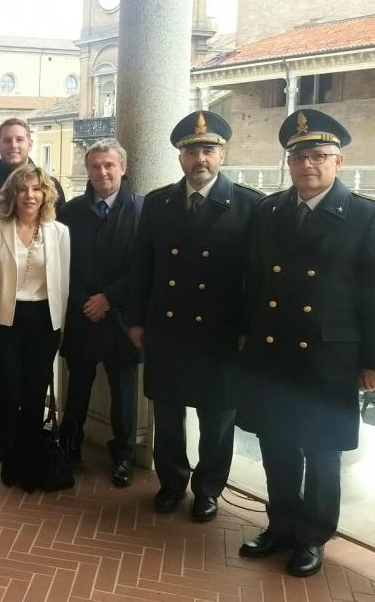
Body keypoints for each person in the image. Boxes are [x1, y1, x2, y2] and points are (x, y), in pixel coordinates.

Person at [236, 110, 375, 577]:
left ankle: (313, 537)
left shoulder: (364, 215)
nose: (308, 165)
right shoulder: (269, 210)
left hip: (327, 355)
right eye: (298, 157)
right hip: (271, 350)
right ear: (289, 164)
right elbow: (254, 281)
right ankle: (280, 525)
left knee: (321, 451)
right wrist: (245, 338)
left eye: (319, 156)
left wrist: (371, 360)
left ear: (339, 161)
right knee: (276, 444)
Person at [128, 111, 263, 522]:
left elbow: (255, 280)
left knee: (217, 418)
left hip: (220, 336)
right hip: (167, 329)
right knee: (167, 414)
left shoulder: (250, 205)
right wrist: (135, 320)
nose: (199, 158)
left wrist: (246, 332)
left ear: (222, 153)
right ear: (180, 157)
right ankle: (171, 482)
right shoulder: (158, 202)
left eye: (208, 149)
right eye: (191, 151)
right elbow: (142, 267)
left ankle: (208, 489)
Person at [0, 117, 67, 463]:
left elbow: (62, 270)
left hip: (41, 314)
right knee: (1, 381)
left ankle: (26, 442)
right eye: (6, 140)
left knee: (35, 381)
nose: (13, 145)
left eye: (19, 139)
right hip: (1, 305)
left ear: (29, 142)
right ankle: (5, 436)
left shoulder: (52, 194)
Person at [57, 138, 143, 488]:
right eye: (95, 166)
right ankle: (69, 446)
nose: (102, 172)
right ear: (87, 171)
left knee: (123, 395)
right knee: (76, 388)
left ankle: (122, 456)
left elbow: (144, 267)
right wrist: (84, 300)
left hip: (121, 319)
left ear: (123, 168)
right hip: (82, 316)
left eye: (109, 165)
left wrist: (108, 298)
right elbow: (62, 264)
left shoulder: (143, 209)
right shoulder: (72, 211)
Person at [0, 165, 70, 490]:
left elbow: (64, 284)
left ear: (45, 194)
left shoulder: (59, 232)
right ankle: (12, 454)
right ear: (12, 195)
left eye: (36, 189)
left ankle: (28, 461)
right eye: (23, 189)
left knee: (33, 393)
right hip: (5, 320)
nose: (30, 195)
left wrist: (62, 326)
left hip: (43, 321)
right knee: (7, 392)